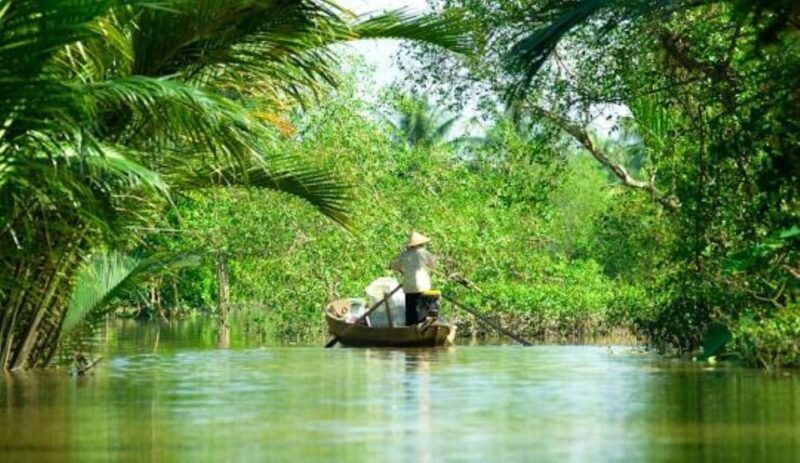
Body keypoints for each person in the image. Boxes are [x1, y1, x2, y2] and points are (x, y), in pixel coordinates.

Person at [390, 231, 437, 326]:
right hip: (422, 286)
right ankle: (421, 326)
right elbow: (433, 265)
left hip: (409, 287)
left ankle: (411, 327)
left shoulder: (404, 255)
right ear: (421, 244)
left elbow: (395, 266)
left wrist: (399, 268)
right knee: (421, 310)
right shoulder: (424, 253)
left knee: (411, 310)